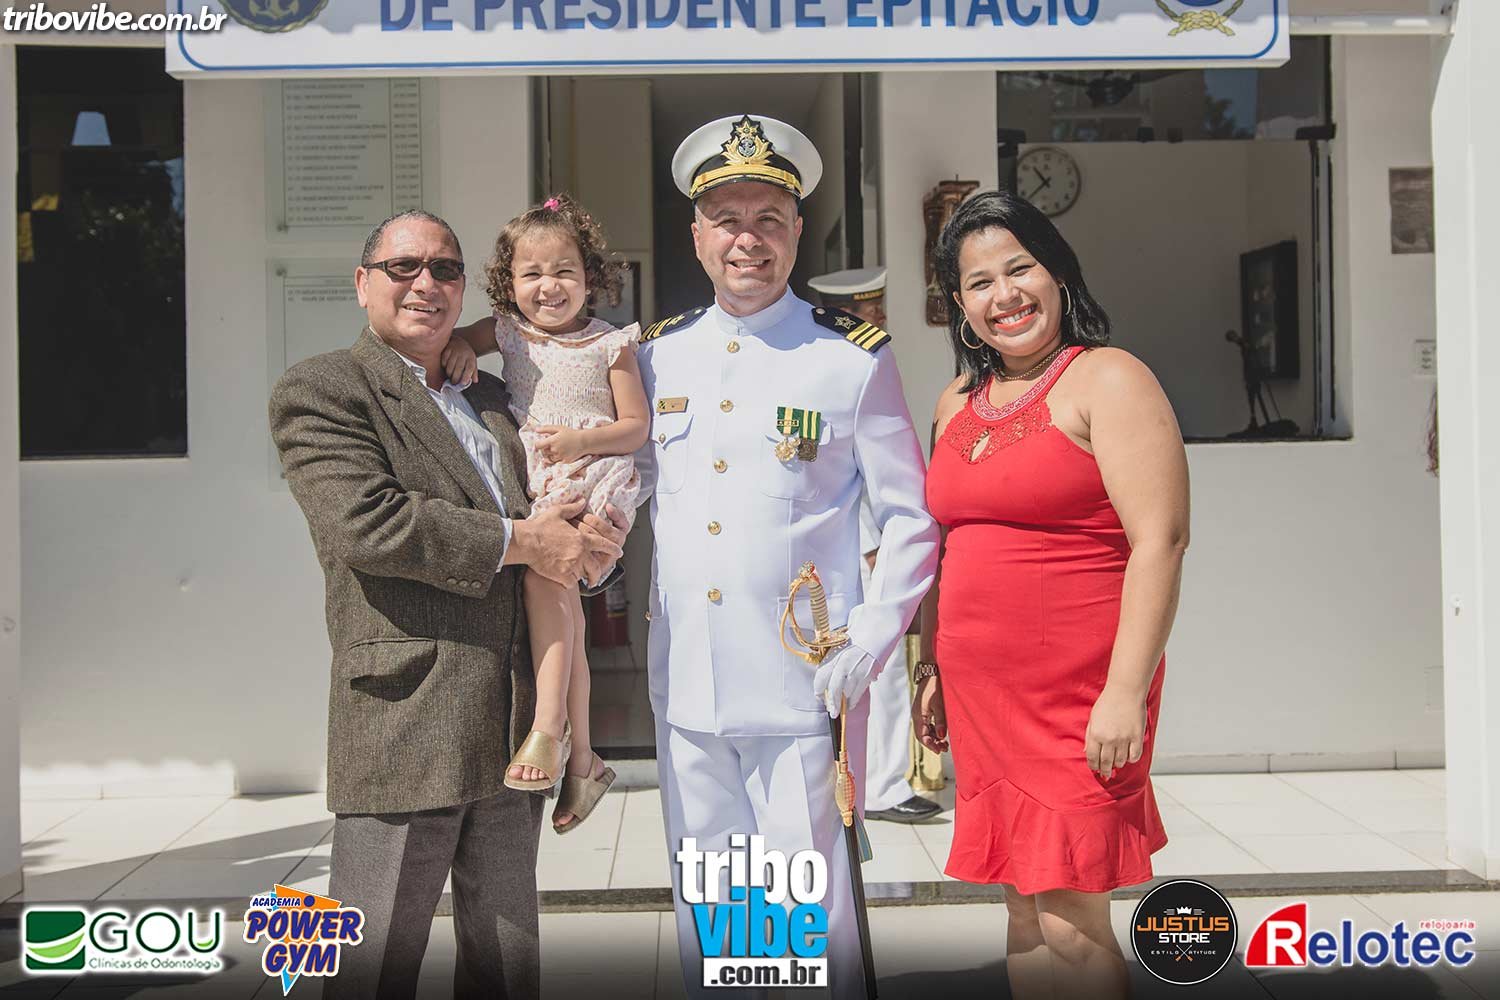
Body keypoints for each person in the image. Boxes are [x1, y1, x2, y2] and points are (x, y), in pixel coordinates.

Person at [268, 209, 628, 999]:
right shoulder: (323, 389)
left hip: (513, 727)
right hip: (406, 720)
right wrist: (527, 540)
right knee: (369, 962)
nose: (425, 283)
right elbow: (371, 526)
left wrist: (589, 544)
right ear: (362, 284)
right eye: (403, 267)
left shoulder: (496, 394)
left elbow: (557, 513)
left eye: (444, 269)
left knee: (507, 966)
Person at [638, 114, 939, 999]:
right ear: (697, 237)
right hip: (687, 682)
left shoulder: (849, 360)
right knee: (713, 903)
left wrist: (871, 642)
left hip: (804, 684)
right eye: (727, 219)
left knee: (807, 904)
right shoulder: (655, 356)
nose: (748, 239)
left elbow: (911, 517)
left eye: (768, 218)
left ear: (798, 230)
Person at [915, 190, 1189, 1000]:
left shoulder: (1109, 379)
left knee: (1072, 917)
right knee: (1023, 906)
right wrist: (931, 668)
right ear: (960, 305)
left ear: (1059, 274)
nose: (1004, 295)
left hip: (1079, 698)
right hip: (982, 700)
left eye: (1021, 269)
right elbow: (946, 546)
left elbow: (1161, 541)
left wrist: (1125, 694)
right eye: (979, 282)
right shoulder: (955, 403)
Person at [442, 193, 646, 832]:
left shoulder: (611, 344)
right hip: (539, 481)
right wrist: (462, 348)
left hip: (588, 482)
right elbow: (456, 340)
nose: (548, 286)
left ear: (590, 276)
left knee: (541, 583)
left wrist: (582, 441)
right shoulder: (507, 332)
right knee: (567, 621)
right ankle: (584, 763)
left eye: (564, 271)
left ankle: (548, 729)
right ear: (510, 284)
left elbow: (636, 427)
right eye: (531, 273)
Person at [810, 267, 939, 824]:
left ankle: (885, 780)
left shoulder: (868, 359)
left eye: (880, 309)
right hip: (857, 549)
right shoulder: (828, 365)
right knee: (874, 678)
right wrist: (871, 544)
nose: (879, 319)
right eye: (869, 310)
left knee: (878, 672)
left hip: (876, 543)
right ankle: (881, 786)